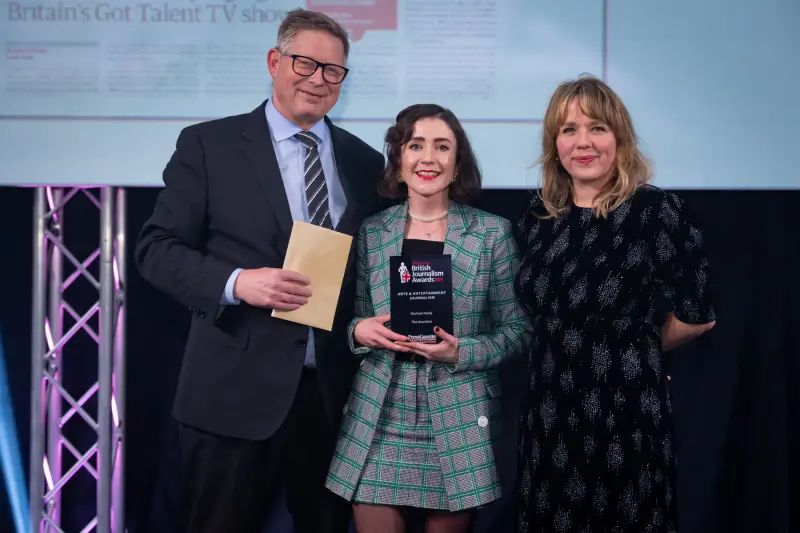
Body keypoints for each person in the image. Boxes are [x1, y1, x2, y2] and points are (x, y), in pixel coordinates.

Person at [134, 9, 386, 533]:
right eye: (305, 63)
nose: (318, 79)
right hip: (232, 396)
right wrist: (236, 284)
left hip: (332, 400)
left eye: (332, 71)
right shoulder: (210, 146)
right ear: (275, 62)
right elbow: (156, 248)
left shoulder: (363, 163)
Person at [514, 76, 717, 532]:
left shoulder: (656, 212)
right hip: (548, 415)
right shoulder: (538, 215)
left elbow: (698, 315)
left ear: (619, 138)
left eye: (597, 128)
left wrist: (639, 348)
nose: (583, 142)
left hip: (628, 414)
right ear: (554, 144)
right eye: (568, 130)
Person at [324, 103, 532, 533]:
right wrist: (359, 331)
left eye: (443, 146)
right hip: (381, 414)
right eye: (415, 145)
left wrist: (462, 350)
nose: (429, 158)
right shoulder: (372, 232)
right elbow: (357, 319)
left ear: (458, 164)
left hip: (457, 417)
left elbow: (519, 331)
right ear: (399, 161)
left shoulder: (492, 233)